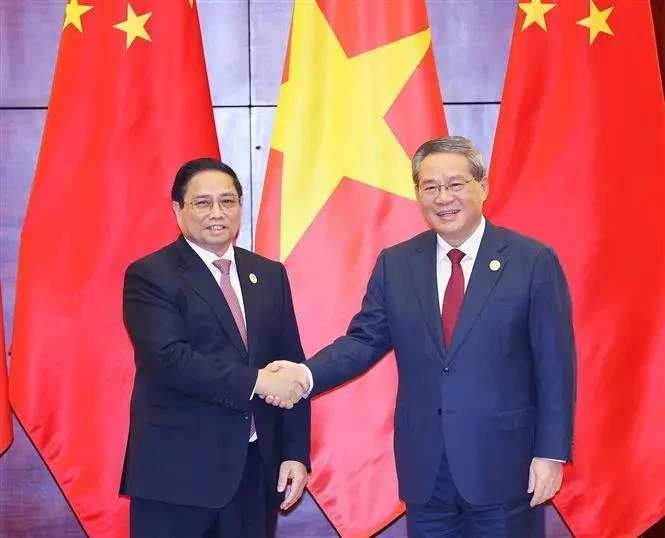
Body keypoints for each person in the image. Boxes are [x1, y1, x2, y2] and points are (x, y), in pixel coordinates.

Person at [266, 137, 576, 536]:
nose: (443, 197)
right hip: (426, 472)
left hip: (507, 467)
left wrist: (550, 453)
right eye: (430, 187)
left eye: (456, 184)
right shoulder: (396, 264)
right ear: (417, 194)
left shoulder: (532, 261)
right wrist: (303, 376)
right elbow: (362, 342)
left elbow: (555, 366)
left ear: (483, 186)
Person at [120, 158, 310, 538]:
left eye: (228, 201)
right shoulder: (151, 274)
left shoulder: (269, 274)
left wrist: (295, 453)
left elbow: (290, 365)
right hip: (177, 475)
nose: (217, 213)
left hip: (256, 470)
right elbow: (169, 360)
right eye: (203, 203)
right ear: (178, 210)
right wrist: (256, 382)